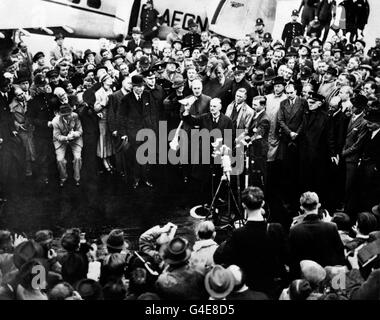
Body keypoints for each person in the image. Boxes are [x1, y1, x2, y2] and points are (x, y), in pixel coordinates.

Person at [214, 186, 289, 298]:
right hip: (273, 286)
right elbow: (286, 256)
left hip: (249, 287)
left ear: (243, 205)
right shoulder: (276, 229)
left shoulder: (238, 234)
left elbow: (221, 257)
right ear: (263, 203)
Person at [289, 191, 345, 279]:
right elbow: (340, 257)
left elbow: (292, 259)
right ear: (318, 205)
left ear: (301, 207)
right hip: (329, 277)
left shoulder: (294, 230)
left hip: (306, 278)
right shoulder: (331, 227)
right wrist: (338, 284)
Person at [118, 75, 158, 189]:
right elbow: (121, 118)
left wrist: (154, 130)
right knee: (136, 157)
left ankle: (145, 178)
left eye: (141, 86)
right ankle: (136, 179)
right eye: (137, 87)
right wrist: (124, 133)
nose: (140, 89)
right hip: (133, 133)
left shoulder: (148, 96)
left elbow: (153, 113)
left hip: (147, 131)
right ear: (132, 87)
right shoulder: (126, 99)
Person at [26, 75, 56, 185]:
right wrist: (45, 123)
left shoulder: (50, 97)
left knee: (53, 154)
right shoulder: (32, 102)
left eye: (45, 85)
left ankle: (53, 176)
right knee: (42, 156)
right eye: (42, 86)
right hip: (41, 133)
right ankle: (43, 178)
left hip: (53, 131)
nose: (45, 87)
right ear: (37, 87)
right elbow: (30, 119)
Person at [52, 104, 83, 187]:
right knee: (60, 159)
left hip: (75, 139)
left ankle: (77, 178)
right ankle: (63, 178)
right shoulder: (55, 121)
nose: (69, 116)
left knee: (77, 157)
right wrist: (66, 138)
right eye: (65, 115)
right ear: (61, 115)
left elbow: (80, 130)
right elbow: (57, 136)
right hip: (61, 141)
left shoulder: (75, 116)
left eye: (69, 114)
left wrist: (75, 134)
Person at [94, 73, 115, 173]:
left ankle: (109, 159)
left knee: (109, 139)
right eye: (108, 79)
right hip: (103, 119)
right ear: (104, 81)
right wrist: (103, 103)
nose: (111, 80)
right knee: (103, 138)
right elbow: (96, 108)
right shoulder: (98, 93)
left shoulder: (111, 90)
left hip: (111, 117)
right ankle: (104, 160)